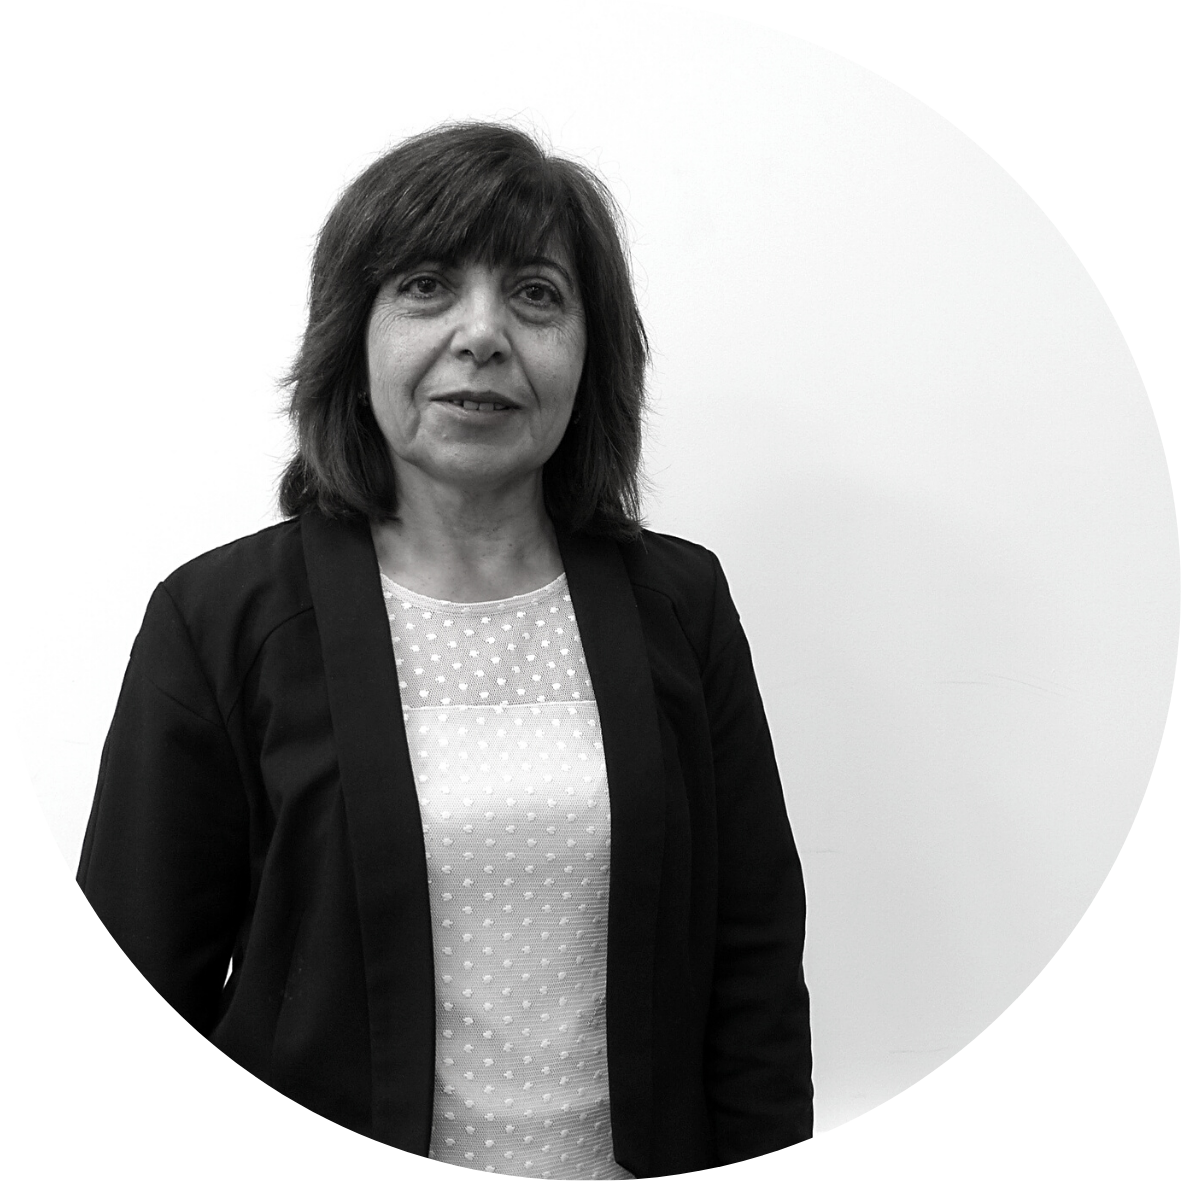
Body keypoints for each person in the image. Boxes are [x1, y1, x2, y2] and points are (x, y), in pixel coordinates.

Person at [77, 122, 813, 1178]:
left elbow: (751, 963)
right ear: (353, 337)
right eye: (426, 286)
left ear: (589, 352)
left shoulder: (679, 604)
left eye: (535, 295)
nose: (482, 334)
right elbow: (134, 1004)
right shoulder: (220, 619)